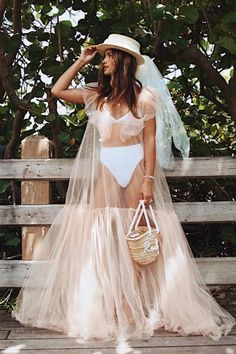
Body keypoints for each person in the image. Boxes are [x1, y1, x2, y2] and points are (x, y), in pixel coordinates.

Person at [12, 34, 235, 341]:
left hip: (135, 170)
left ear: (123, 61)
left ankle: (133, 307)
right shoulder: (97, 96)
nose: (103, 60)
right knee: (103, 236)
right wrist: (81, 60)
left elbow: (149, 144)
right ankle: (111, 303)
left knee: (137, 238)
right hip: (105, 170)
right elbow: (57, 90)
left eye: (109, 56)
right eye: (103, 56)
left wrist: (148, 181)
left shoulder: (146, 98)